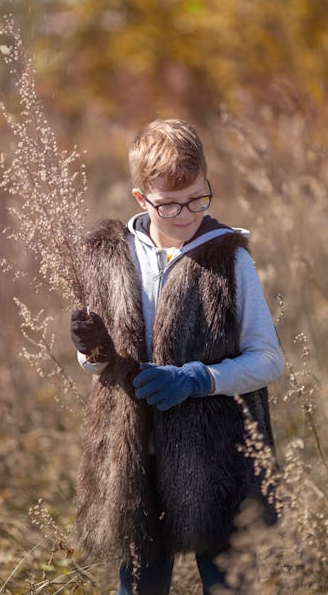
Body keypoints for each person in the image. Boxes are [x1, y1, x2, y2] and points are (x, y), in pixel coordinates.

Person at [70, 119, 284, 595]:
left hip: (217, 459)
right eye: (169, 204)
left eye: (197, 198)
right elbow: (101, 369)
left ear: (206, 179)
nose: (186, 214)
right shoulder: (111, 257)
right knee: (140, 586)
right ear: (140, 198)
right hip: (134, 456)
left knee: (226, 585)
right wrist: (92, 352)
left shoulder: (229, 258)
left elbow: (268, 358)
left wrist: (197, 378)